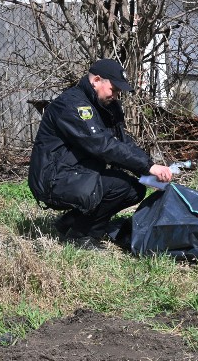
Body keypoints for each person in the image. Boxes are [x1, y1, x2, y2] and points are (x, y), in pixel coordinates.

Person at [28, 58, 172, 245]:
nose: (117, 95)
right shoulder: (71, 106)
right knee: (121, 187)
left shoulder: (103, 107)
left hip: (76, 172)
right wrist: (148, 167)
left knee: (134, 189)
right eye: (114, 89)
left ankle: (69, 222)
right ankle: (82, 236)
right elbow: (102, 145)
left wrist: (147, 169)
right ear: (96, 81)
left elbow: (122, 142)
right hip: (53, 179)